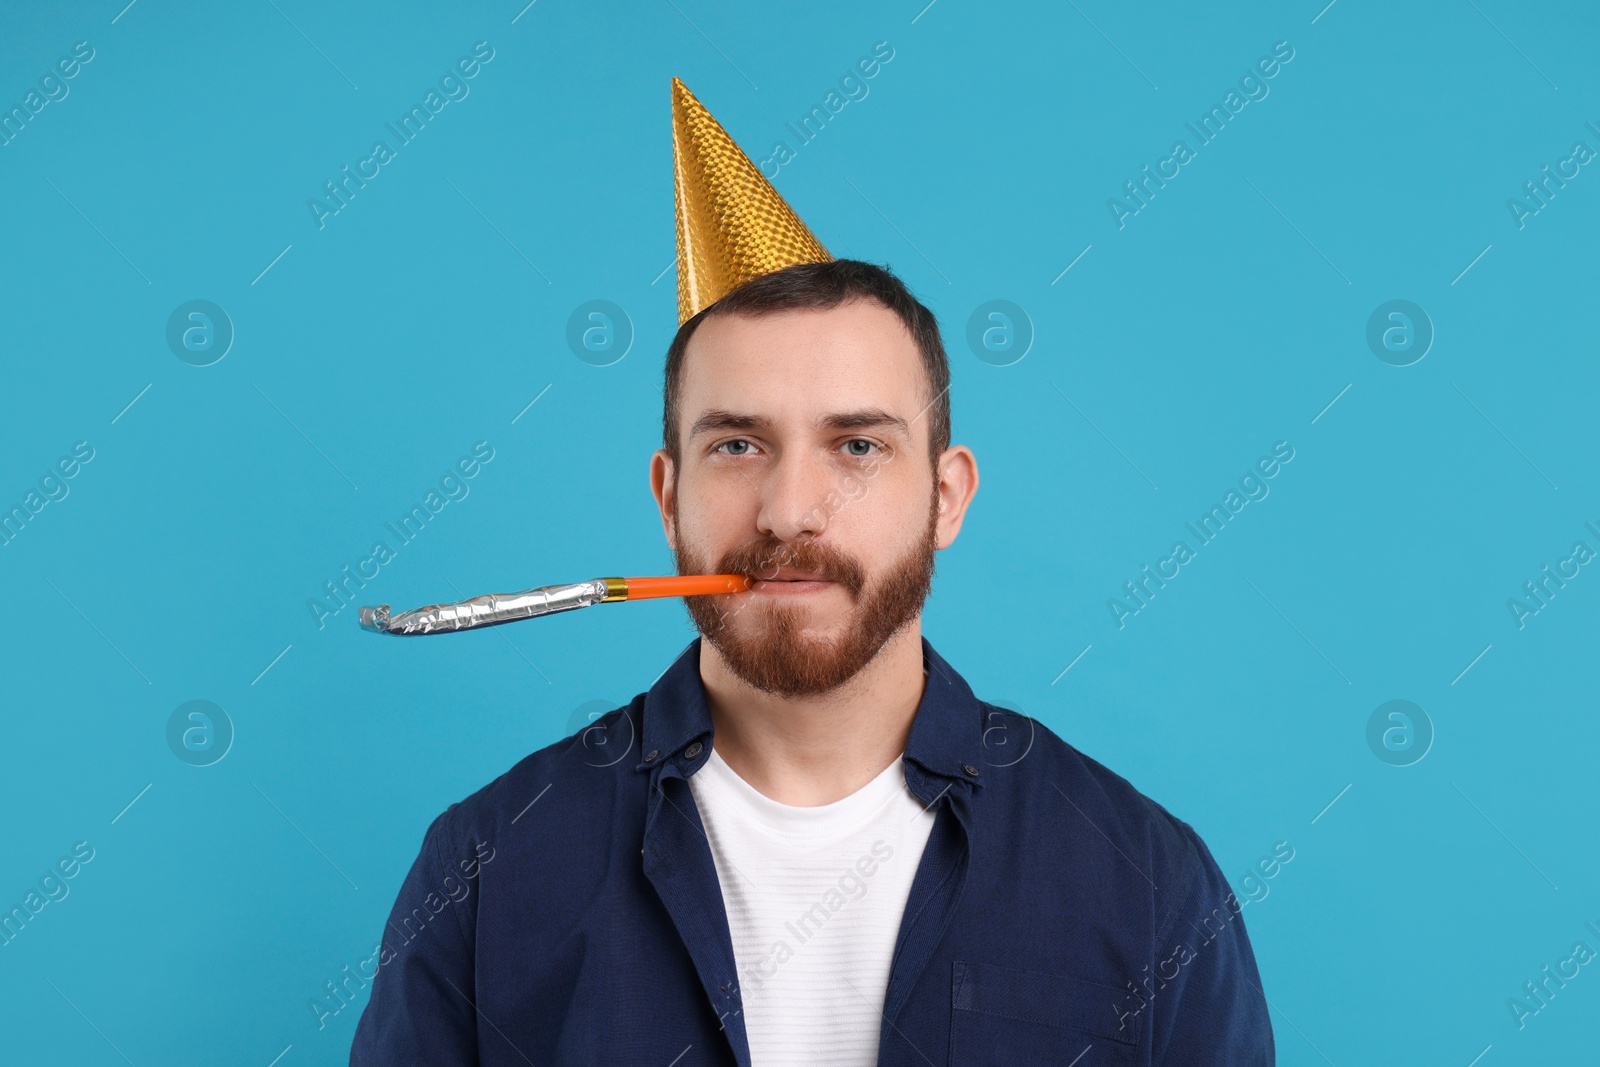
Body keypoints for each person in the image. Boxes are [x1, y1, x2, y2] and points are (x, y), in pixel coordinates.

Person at [350, 79, 1274, 1067]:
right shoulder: (487, 871)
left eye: (858, 447)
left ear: (947, 495)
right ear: (668, 497)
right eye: (738, 445)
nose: (790, 509)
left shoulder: (1142, 881)